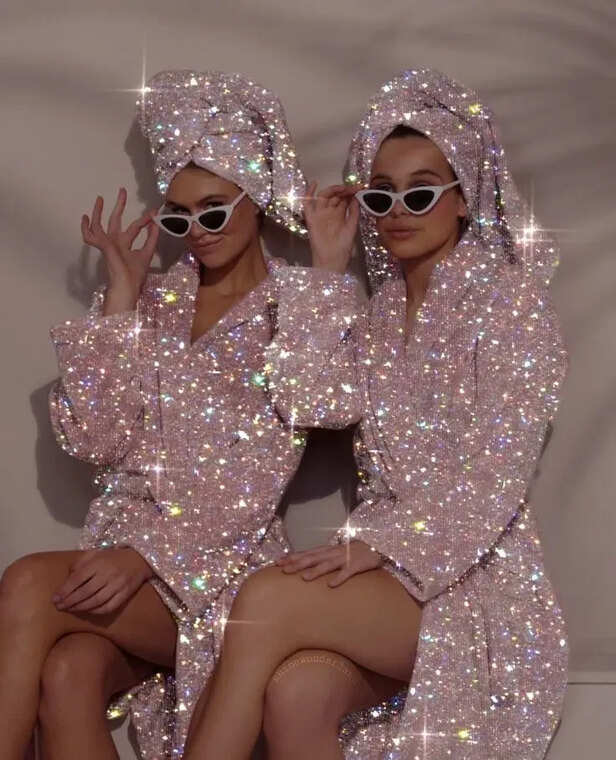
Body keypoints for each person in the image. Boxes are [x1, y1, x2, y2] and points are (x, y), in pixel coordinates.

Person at [182, 68, 569, 760]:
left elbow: (497, 474)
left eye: (420, 193)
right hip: (382, 571)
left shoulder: (510, 304)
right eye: (380, 194)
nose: (397, 211)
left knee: (263, 602)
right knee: (297, 695)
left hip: (476, 583)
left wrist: (388, 546)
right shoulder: (380, 315)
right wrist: (328, 270)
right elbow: (312, 402)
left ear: (463, 200)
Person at [0, 69, 365, 760]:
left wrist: (326, 271)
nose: (196, 232)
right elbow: (96, 440)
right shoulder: (157, 304)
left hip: (221, 574)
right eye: (178, 217)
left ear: (255, 200)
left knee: (24, 582)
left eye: (214, 211)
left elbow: (317, 410)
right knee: (68, 673)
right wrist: (121, 294)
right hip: (121, 560)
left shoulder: (293, 305)